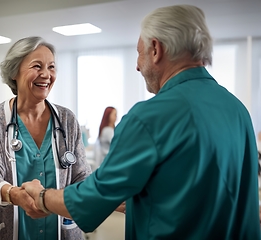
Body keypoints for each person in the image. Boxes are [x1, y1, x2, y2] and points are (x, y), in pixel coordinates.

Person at [22, 5, 261, 239]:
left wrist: (42, 197)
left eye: (139, 52)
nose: (137, 66)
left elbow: (91, 199)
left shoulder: (149, 117)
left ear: (156, 49)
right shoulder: (237, 109)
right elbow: (200, 192)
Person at [0, 36, 92, 240]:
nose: (46, 74)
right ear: (14, 72)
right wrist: (14, 194)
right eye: (37, 66)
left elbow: (81, 176)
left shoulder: (66, 120)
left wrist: (105, 194)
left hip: (61, 232)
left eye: (52, 67)